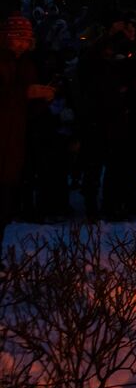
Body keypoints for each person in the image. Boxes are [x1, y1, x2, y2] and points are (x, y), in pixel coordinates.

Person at [1, 13, 55, 241]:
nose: (22, 44)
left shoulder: (26, 64)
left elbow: (25, 112)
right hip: (4, 137)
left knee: (3, 206)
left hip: (13, 142)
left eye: (25, 40)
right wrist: (25, 93)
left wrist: (42, 99)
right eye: (17, 39)